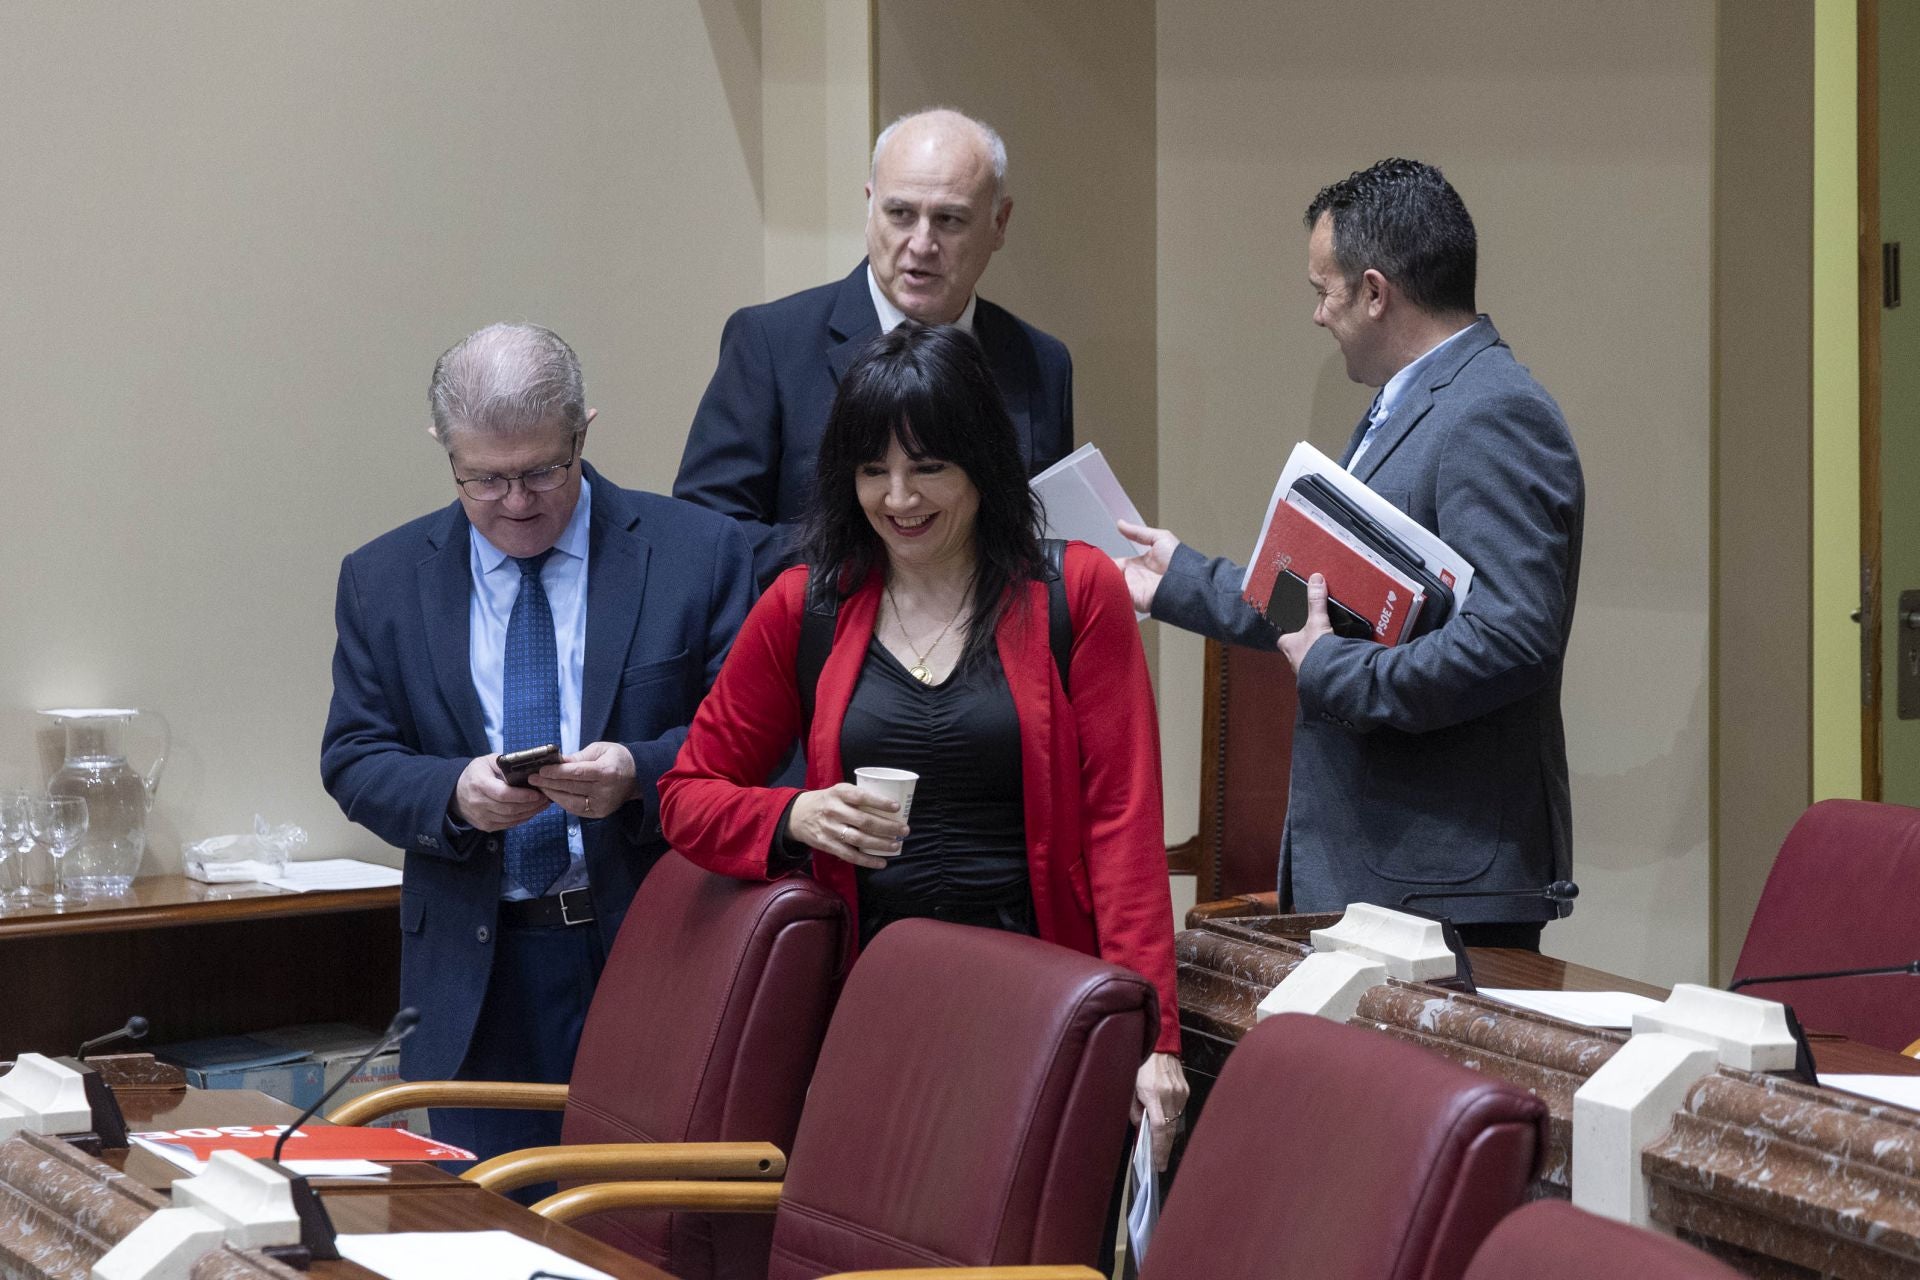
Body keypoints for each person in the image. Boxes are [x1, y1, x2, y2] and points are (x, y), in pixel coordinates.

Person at [659, 322, 1187, 1170]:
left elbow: (1122, 823)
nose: (899, 498)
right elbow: (688, 794)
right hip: (864, 1012)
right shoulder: (806, 606)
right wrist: (796, 814)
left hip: (1044, 1003)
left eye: (928, 467)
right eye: (873, 471)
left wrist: (1156, 1036)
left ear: (982, 461)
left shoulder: (1076, 591)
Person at [320, 323, 754, 1176]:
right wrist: (455, 794)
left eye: (542, 472)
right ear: (445, 451)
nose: (516, 502)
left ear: (583, 433)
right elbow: (356, 755)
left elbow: (751, 741)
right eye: (484, 479)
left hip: (648, 944)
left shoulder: (696, 554)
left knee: (642, 1223)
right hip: (479, 969)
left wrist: (639, 774)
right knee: (485, 1231)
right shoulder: (385, 579)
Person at [1117, 159, 1584, 950]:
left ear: (1374, 292)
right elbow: (1336, 599)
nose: (1317, 314)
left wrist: (1335, 672)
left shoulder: (1494, 412)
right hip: (1377, 868)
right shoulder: (1405, 402)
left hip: (1443, 884)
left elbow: (1512, 641)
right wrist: (1179, 580)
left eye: (1321, 290)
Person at [674, 107, 1074, 586]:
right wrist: (880, 559)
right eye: (901, 214)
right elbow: (705, 534)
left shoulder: (1041, 362)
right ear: (870, 206)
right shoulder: (770, 342)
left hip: (990, 650)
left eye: (949, 220)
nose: (921, 244)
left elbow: (1044, 535)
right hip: (820, 643)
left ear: (999, 223)